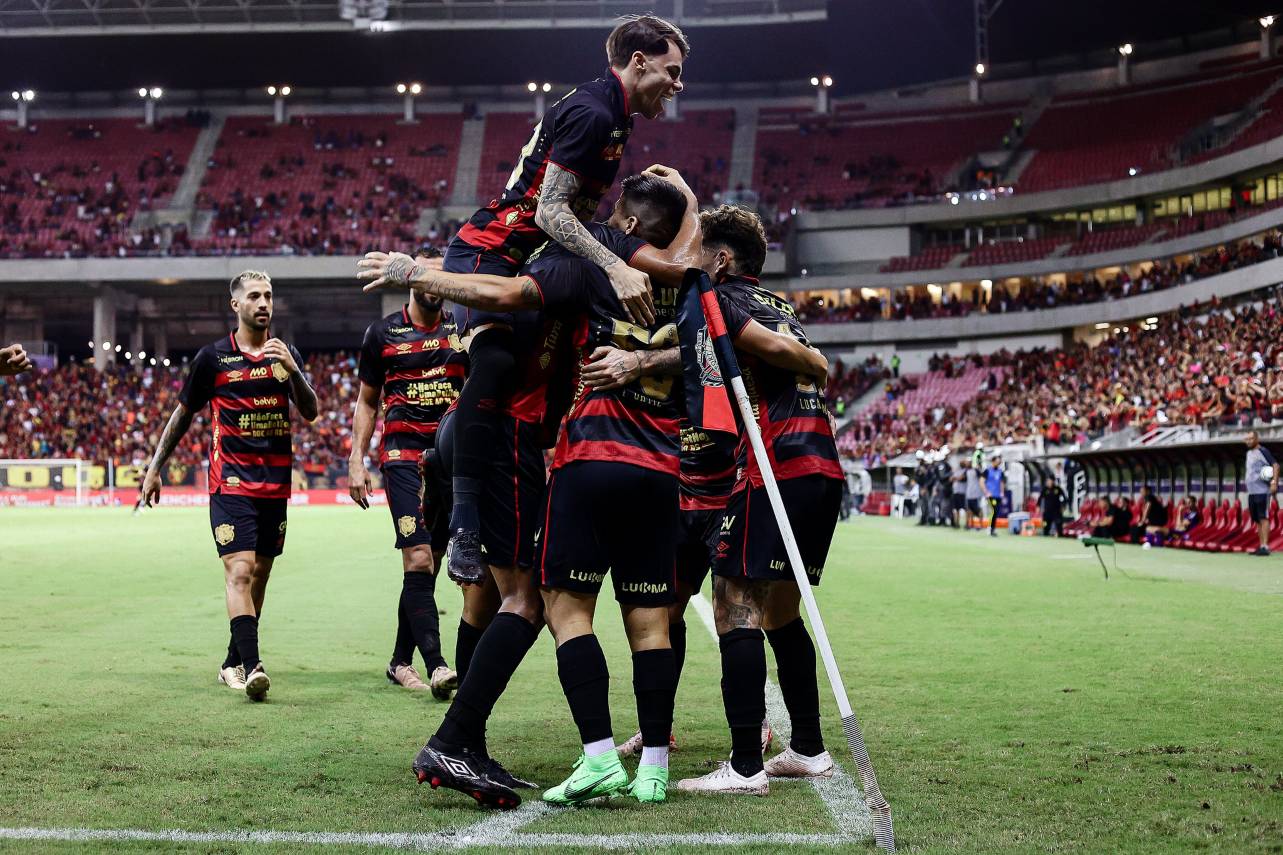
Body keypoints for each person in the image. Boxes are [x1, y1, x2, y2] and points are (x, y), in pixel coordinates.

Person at [359, 169, 724, 808]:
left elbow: (502, 290)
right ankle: (469, 737)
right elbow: (503, 292)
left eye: (596, 204)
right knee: (537, 602)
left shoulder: (590, 258)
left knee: (525, 602)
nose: (585, 211)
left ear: (629, 225)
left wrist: (416, 271)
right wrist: (690, 200)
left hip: (562, 448)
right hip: (559, 445)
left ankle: (473, 739)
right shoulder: (687, 281)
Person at [440, 15, 690, 586]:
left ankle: (467, 463)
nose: (678, 86)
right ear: (640, 61)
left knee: (542, 368)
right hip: (490, 252)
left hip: (530, 258)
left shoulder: (616, 120)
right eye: (672, 73)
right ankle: (463, 520)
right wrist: (612, 265)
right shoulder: (596, 113)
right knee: (498, 360)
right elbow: (551, 212)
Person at [674, 205, 839, 797]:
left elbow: (785, 354)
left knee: (734, 603)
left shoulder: (726, 299)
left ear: (721, 259)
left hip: (775, 467)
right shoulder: (783, 304)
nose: (688, 263)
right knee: (781, 612)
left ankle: (745, 766)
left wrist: (814, 361)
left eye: (697, 253)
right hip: (821, 465)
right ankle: (809, 750)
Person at [140, 271, 319, 701]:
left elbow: (310, 410)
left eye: (269, 296)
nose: (264, 303)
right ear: (235, 305)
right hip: (230, 483)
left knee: (260, 575)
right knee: (239, 571)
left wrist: (294, 372)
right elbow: (182, 415)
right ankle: (253, 666)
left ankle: (231, 663)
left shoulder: (284, 353)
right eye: (254, 296)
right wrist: (154, 466)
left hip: (275, 486)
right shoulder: (213, 358)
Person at [350, 250, 466, 699]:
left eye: (441, 276)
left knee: (429, 566)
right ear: (411, 280)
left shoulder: (463, 330)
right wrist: (355, 459)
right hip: (402, 459)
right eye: (425, 275)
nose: (433, 284)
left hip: (450, 464)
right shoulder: (381, 334)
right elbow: (366, 400)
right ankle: (436, 664)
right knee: (418, 558)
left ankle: (400, 661)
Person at [1245, 431, 1278, 556]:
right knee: (1257, 519)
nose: (1249, 441)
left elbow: (1275, 465)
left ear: (1256, 439)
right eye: (1247, 439)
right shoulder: (1249, 453)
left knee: (1263, 517)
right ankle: (1261, 545)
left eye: (1251, 438)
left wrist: (1274, 482)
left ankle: (1265, 546)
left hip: (1262, 491)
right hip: (1252, 492)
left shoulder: (1263, 451)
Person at [983, 455, 1005, 537]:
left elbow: (1002, 482)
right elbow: (981, 481)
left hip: (998, 495)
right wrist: (986, 492)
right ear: (993, 461)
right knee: (993, 511)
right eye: (997, 461)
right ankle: (990, 528)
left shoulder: (1000, 471)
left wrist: (1002, 492)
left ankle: (993, 528)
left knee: (996, 512)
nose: (998, 463)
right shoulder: (987, 470)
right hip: (991, 495)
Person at [964, 460, 983, 530]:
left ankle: (980, 524)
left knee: (979, 509)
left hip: (976, 494)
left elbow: (982, 477)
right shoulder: (966, 471)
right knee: (969, 510)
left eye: (968, 463)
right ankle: (970, 524)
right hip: (969, 494)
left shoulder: (976, 470)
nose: (967, 464)